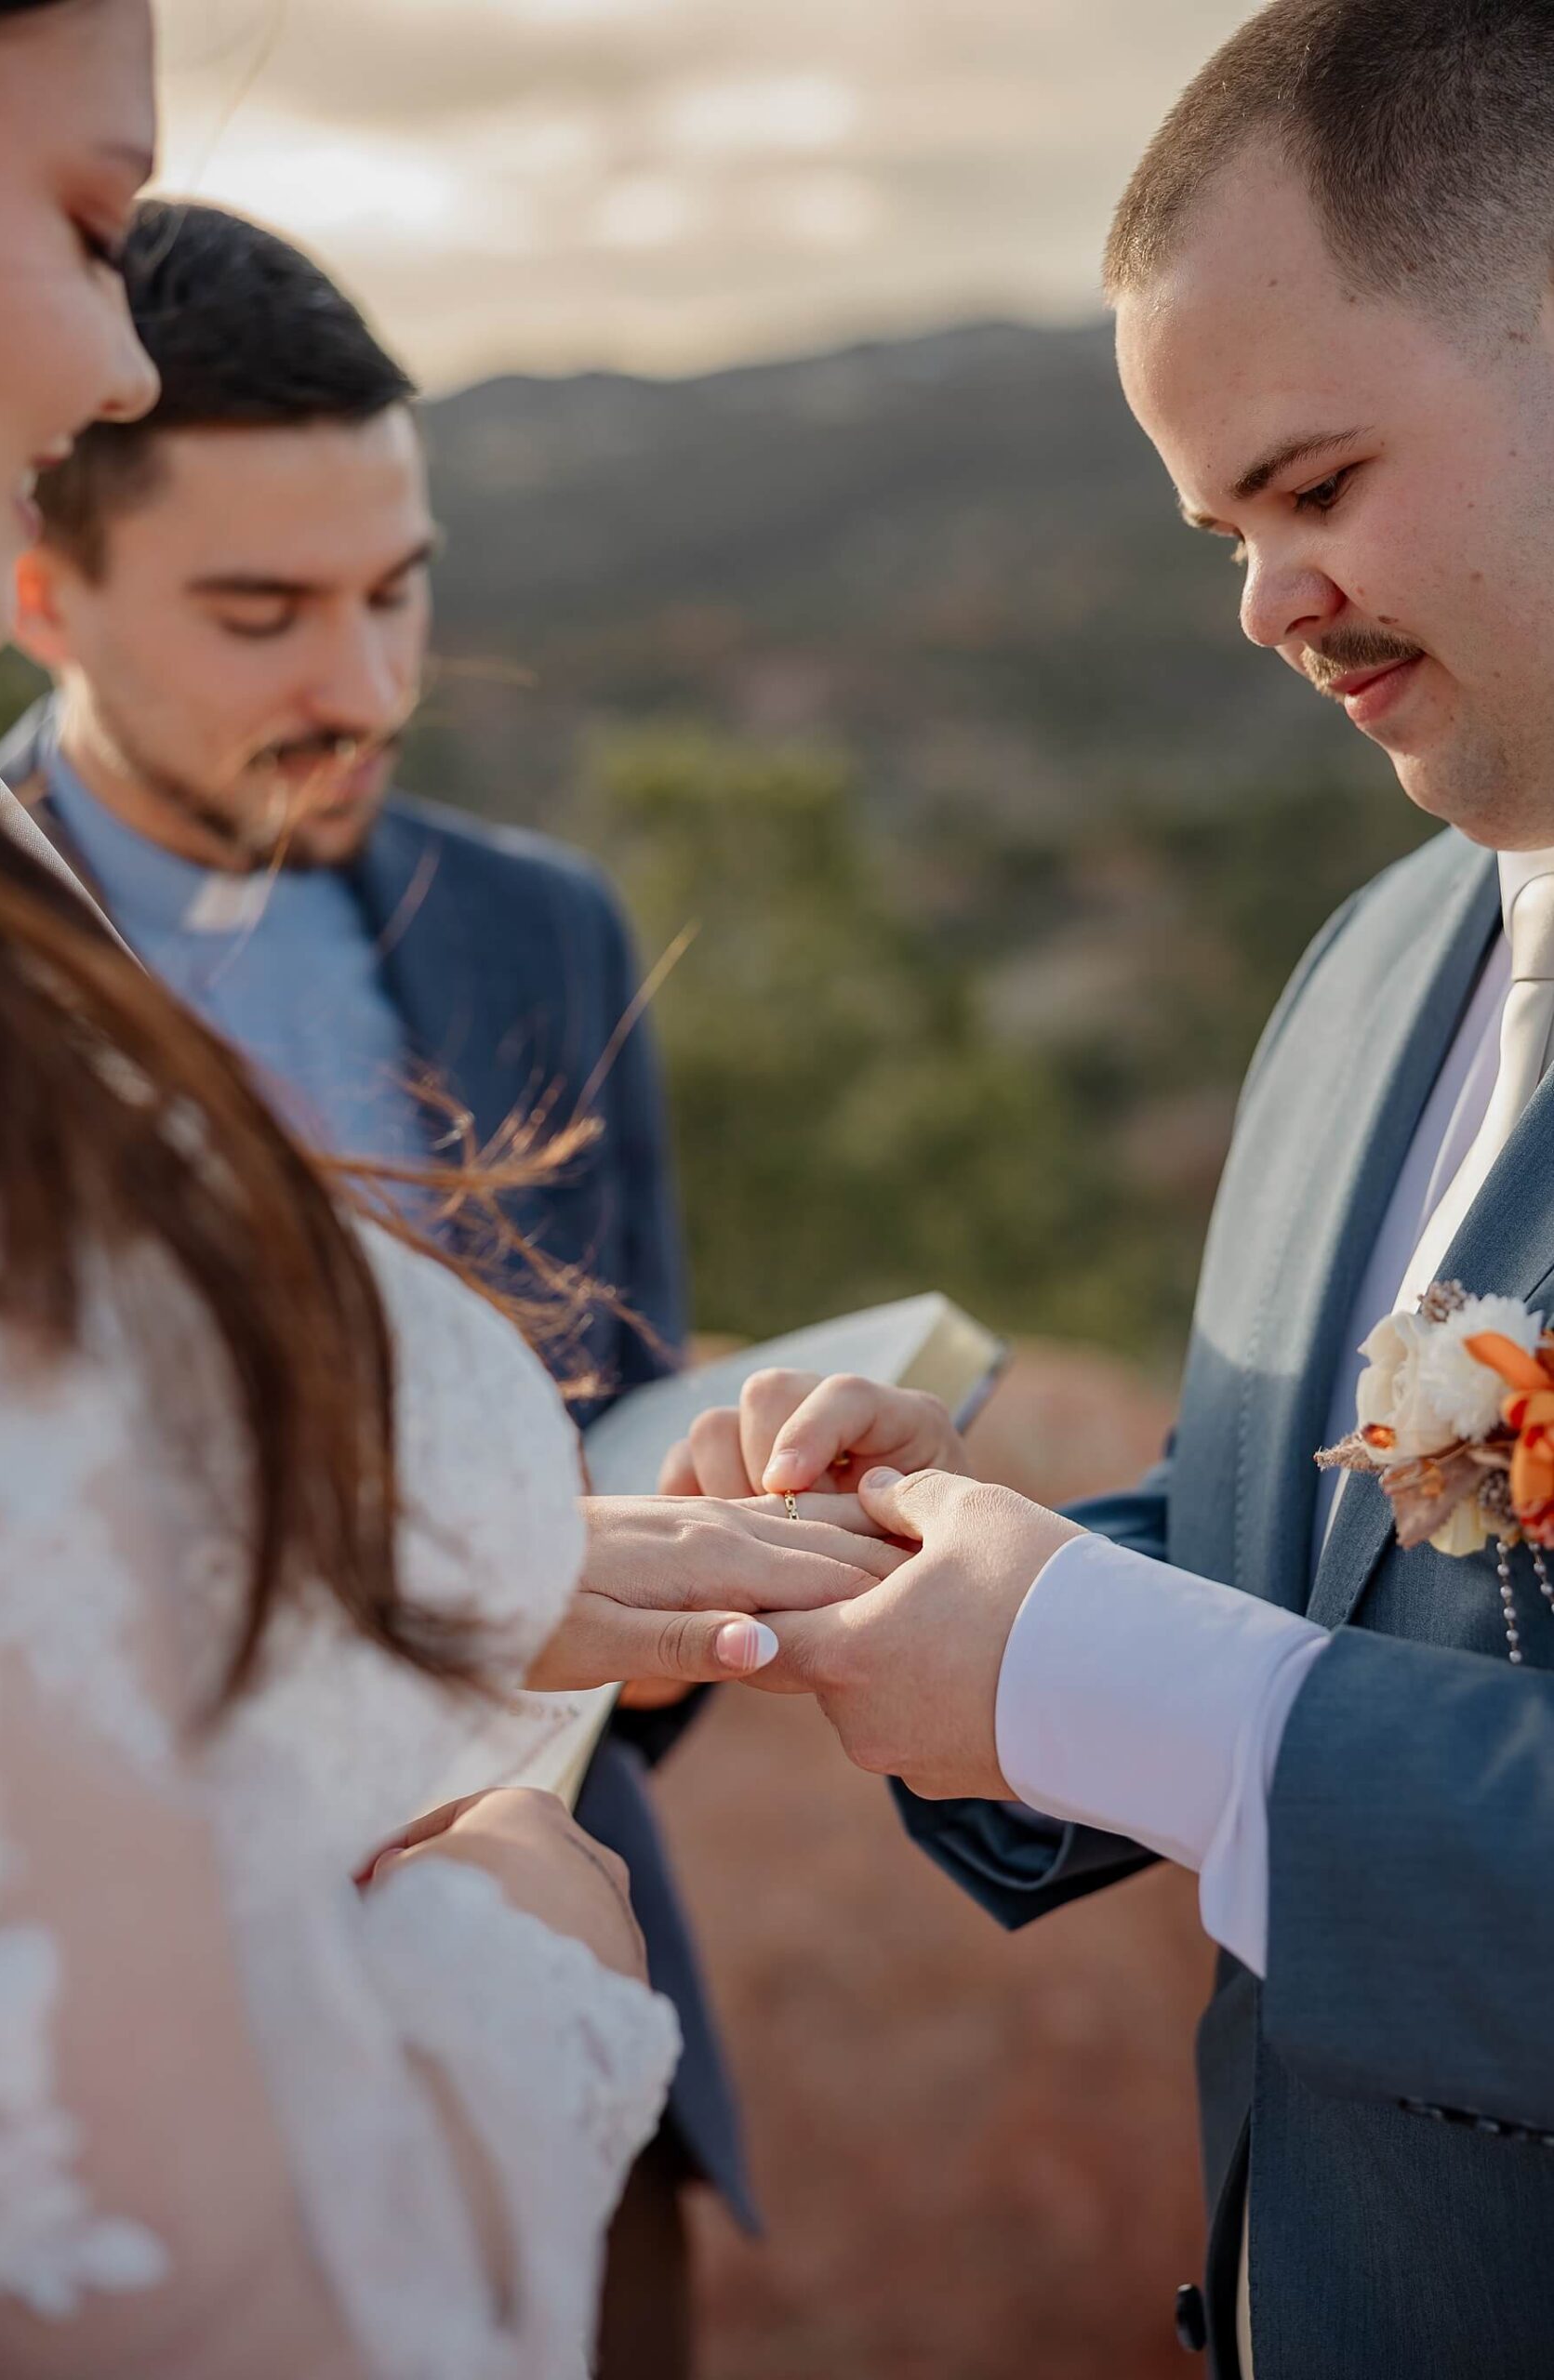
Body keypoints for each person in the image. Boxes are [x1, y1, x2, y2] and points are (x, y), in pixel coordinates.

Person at [0, 4, 897, 2373]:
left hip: (577, 1992)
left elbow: (626, 1369)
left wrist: (635, 1579)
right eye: (264, 617)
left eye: (399, 591)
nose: (365, 686)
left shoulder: (543, 925)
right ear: (51, 598)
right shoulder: (15, 940)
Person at [666, 4, 1554, 2375]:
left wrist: (1104, 1678)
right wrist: (963, 1584)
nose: (1265, 600)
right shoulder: (1369, 966)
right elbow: (1346, 1567)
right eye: (1224, 527)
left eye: (1318, 481)